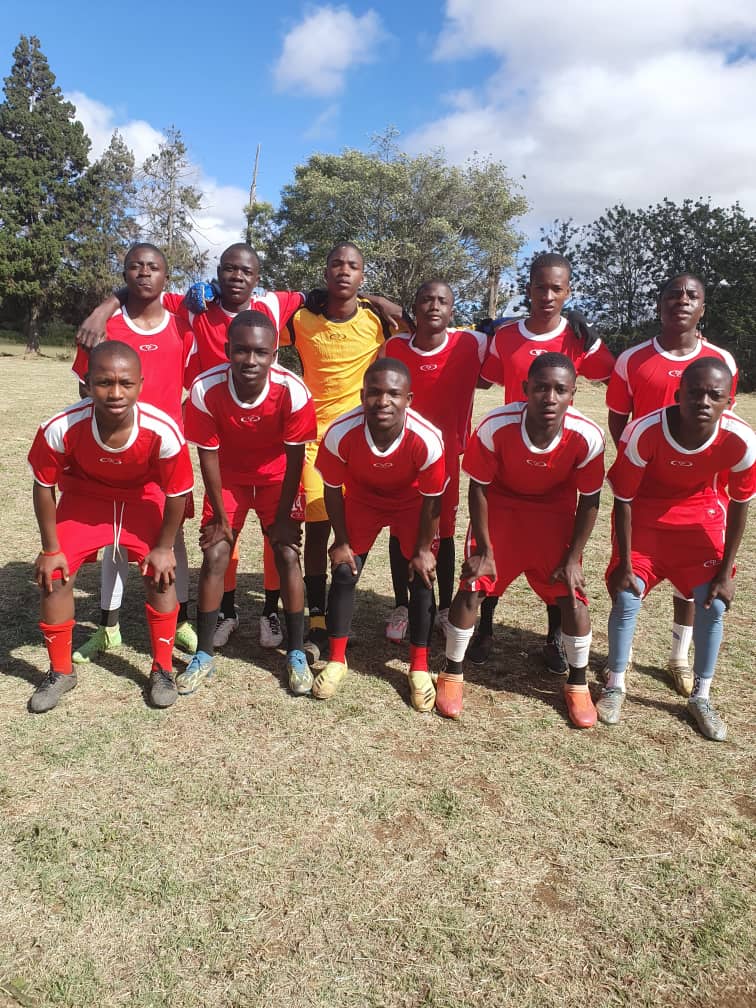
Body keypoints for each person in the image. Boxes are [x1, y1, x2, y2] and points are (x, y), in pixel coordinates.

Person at [76, 243, 306, 653]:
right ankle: (116, 623)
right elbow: (141, 293)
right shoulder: (187, 312)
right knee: (119, 536)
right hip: (133, 444)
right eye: (229, 268)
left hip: (177, 446)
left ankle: (200, 616)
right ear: (217, 272)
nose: (237, 276)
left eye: (246, 271)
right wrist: (102, 308)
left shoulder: (197, 320)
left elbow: (314, 296)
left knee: (179, 533)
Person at [437, 353, 605, 727]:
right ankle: (452, 672)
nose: (550, 397)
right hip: (502, 508)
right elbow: (478, 487)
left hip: (554, 514)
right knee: (473, 585)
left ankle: (578, 684)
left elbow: (590, 499)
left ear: (572, 394)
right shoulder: (496, 425)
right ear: (526, 388)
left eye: (560, 390)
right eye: (541, 387)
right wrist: (485, 550)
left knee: (572, 595)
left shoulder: (588, 435)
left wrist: (573, 558)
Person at [27, 341, 194, 712]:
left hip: (141, 498)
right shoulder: (60, 426)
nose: (116, 393)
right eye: (104, 382)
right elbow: (43, 485)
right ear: (87, 384)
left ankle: (162, 668)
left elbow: (177, 492)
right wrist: (50, 549)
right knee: (55, 574)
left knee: (161, 573)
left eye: (125, 383)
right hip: (86, 500)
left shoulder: (162, 430)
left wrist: (164, 548)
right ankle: (61, 670)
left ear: (140, 384)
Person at [472, 252, 615, 671]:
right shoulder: (506, 336)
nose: (547, 295)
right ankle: (484, 630)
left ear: (568, 292)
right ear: (528, 288)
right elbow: (484, 379)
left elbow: (612, 374)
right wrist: (482, 335)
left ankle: (554, 639)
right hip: (510, 457)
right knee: (494, 550)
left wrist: (594, 340)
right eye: (540, 287)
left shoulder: (576, 337)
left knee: (557, 557)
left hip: (559, 463)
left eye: (557, 288)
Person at [598, 358, 754, 740]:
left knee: (713, 604)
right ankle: (615, 684)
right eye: (695, 392)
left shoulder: (741, 439)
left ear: (729, 401)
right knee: (627, 596)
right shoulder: (644, 430)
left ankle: (701, 696)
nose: (704, 401)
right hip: (646, 518)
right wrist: (625, 562)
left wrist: (725, 573)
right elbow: (624, 499)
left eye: (714, 395)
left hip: (700, 519)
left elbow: (740, 504)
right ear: (678, 394)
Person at [605, 273, 739, 695]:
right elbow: (617, 418)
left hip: (700, 490)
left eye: (692, 295)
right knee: (630, 576)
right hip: (646, 487)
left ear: (703, 308)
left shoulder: (721, 359)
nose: (682, 300)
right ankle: (620, 663)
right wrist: (642, 462)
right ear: (660, 304)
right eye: (673, 294)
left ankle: (679, 657)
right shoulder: (633, 359)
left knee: (693, 582)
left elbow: (726, 422)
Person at [70, 243, 198, 664]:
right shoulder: (103, 328)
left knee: (171, 536)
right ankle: (108, 627)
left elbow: (195, 383)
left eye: (153, 267)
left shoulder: (182, 325)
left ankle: (179, 619)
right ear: (123, 274)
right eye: (135, 266)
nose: (144, 273)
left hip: (165, 452)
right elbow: (84, 389)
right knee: (116, 539)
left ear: (166, 276)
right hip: (115, 451)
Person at [180, 311, 317, 695]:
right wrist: (221, 520)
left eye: (260, 352)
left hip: (278, 479)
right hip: (229, 479)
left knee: (287, 553)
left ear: (275, 354)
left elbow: (295, 459)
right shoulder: (205, 388)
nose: (250, 360)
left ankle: (295, 652)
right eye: (241, 350)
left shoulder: (293, 390)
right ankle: (203, 655)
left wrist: (285, 517)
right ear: (227, 350)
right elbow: (207, 455)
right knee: (215, 553)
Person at [280, 243, 400, 663]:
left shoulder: (375, 320)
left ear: (362, 276)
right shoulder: (302, 320)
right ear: (326, 272)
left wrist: (380, 300)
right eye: (336, 264)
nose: (344, 271)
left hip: (360, 441)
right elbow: (257, 325)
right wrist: (297, 298)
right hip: (314, 441)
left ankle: (341, 610)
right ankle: (316, 617)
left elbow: (422, 321)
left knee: (352, 532)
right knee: (317, 529)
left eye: (353, 266)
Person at [313, 358, 447, 708]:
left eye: (393, 394)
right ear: (362, 396)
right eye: (374, 392)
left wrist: (423, 550)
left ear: (409, 399)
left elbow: (433, 498)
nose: (383, 401)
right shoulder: (341, 432)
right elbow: (332, 489)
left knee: (422, 576)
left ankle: (419, 666)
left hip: (411, 503)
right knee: (344, 571)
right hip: (363, 501)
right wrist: (342, 542)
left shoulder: (427, 438)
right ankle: (337, 659)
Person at [383, 280, 488, 641]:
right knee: (401, 530)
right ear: (414, 308)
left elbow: (511, 333)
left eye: (442, 301)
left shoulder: (470, 343)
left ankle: (443, 607)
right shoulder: (395, 347)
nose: (434, 306)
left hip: (446, 459)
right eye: (426, 300)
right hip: (402, 453)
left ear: (452, 310)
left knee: (443, 532)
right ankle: (401, 605)